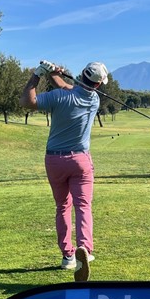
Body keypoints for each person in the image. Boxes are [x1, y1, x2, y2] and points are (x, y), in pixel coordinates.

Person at [20, 60, 108, 282]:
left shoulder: (58, 97)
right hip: (80, 161)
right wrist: (54, 75)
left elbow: (27, 101)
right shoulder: (94, 99)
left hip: (54, 160)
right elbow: (70, 88)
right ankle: (85, 248)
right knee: (83, 206)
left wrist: (38, 75)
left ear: (81, 74)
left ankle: (68, 256)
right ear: (98, 85)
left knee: (62, 207)